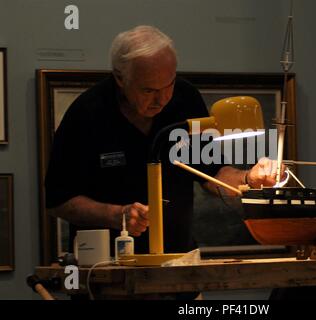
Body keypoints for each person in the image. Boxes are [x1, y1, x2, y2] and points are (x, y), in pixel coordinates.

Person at [45, 25, 284, 262]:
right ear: (120, 78)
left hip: (178, 264)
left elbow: (212, 174)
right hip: (107, 269)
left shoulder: (185, 99)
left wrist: (249, 179)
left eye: (168, 84)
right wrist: (117, 215)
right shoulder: (88, 112)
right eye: (148, 90)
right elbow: (58, 201)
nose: (162, 99)